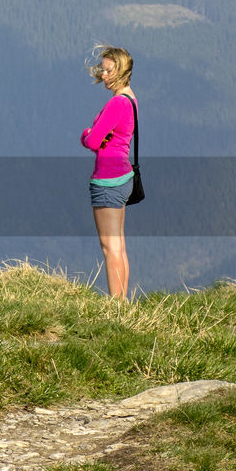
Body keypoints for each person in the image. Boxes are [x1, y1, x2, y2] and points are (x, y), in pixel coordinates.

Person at [80, 46, 136, 300]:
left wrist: (87, 134)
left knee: (109, 247)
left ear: (120, 70)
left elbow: (92, 141)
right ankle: (122, 304)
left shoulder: (116, 103)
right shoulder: (130, 99)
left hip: (108, 180)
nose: (103, 75)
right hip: (123, 177)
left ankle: (116, 308)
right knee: (119, 246)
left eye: (108, 70)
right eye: (103, 70)